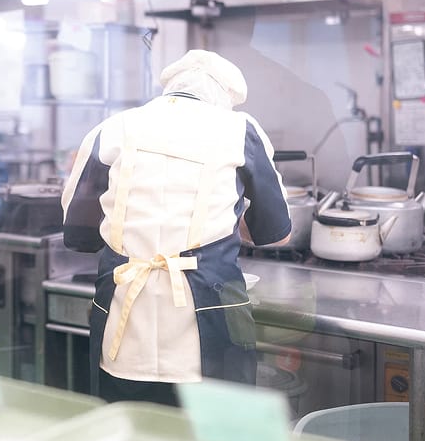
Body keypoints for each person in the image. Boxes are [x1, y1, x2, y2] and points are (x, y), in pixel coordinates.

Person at [60, 49, 291, 406]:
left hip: (122, 323)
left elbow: (79, 234)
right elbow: (275, 232)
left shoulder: (112, 128)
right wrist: (231, 220)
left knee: (130, 425)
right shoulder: (240, 130)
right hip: (211, 324)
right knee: (214, 428)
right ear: (224, 96)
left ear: (170, 87)